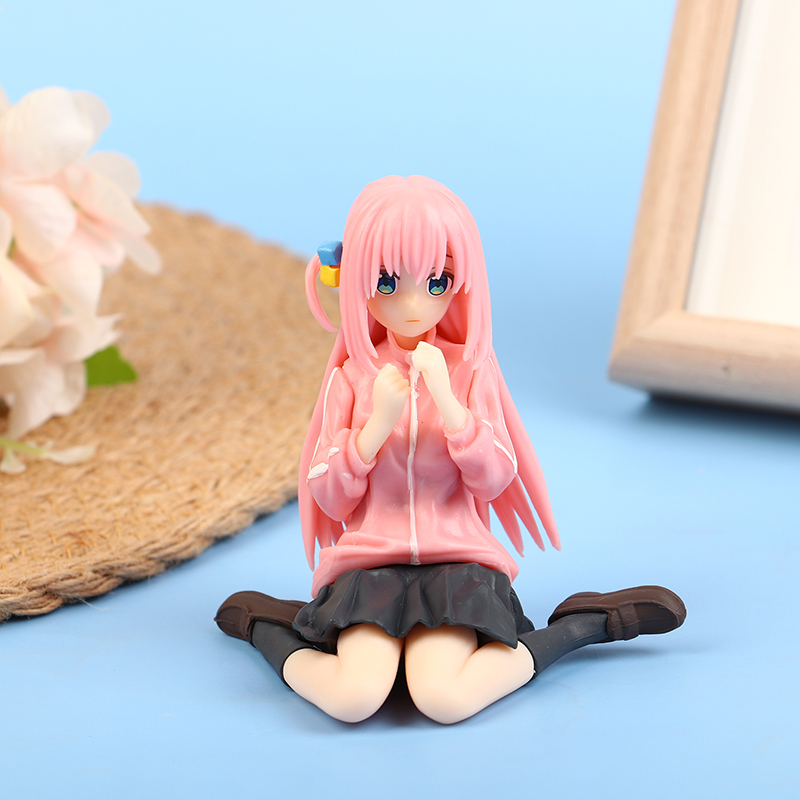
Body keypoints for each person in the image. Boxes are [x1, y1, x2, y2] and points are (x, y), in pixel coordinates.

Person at [216, 175, 685, 724]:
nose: (414, 304)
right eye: (388, 282)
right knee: (353, 699)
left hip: (457, 564)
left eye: (437, 281)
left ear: (460, 282)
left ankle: (585, 626)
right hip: (370, 565)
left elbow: (495, 476)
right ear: (356, 280)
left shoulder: (469, 370)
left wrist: (450, 403)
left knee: (443, 698)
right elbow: (330, 496)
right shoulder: (351, 378)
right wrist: (373, 431)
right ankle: (268, 628)